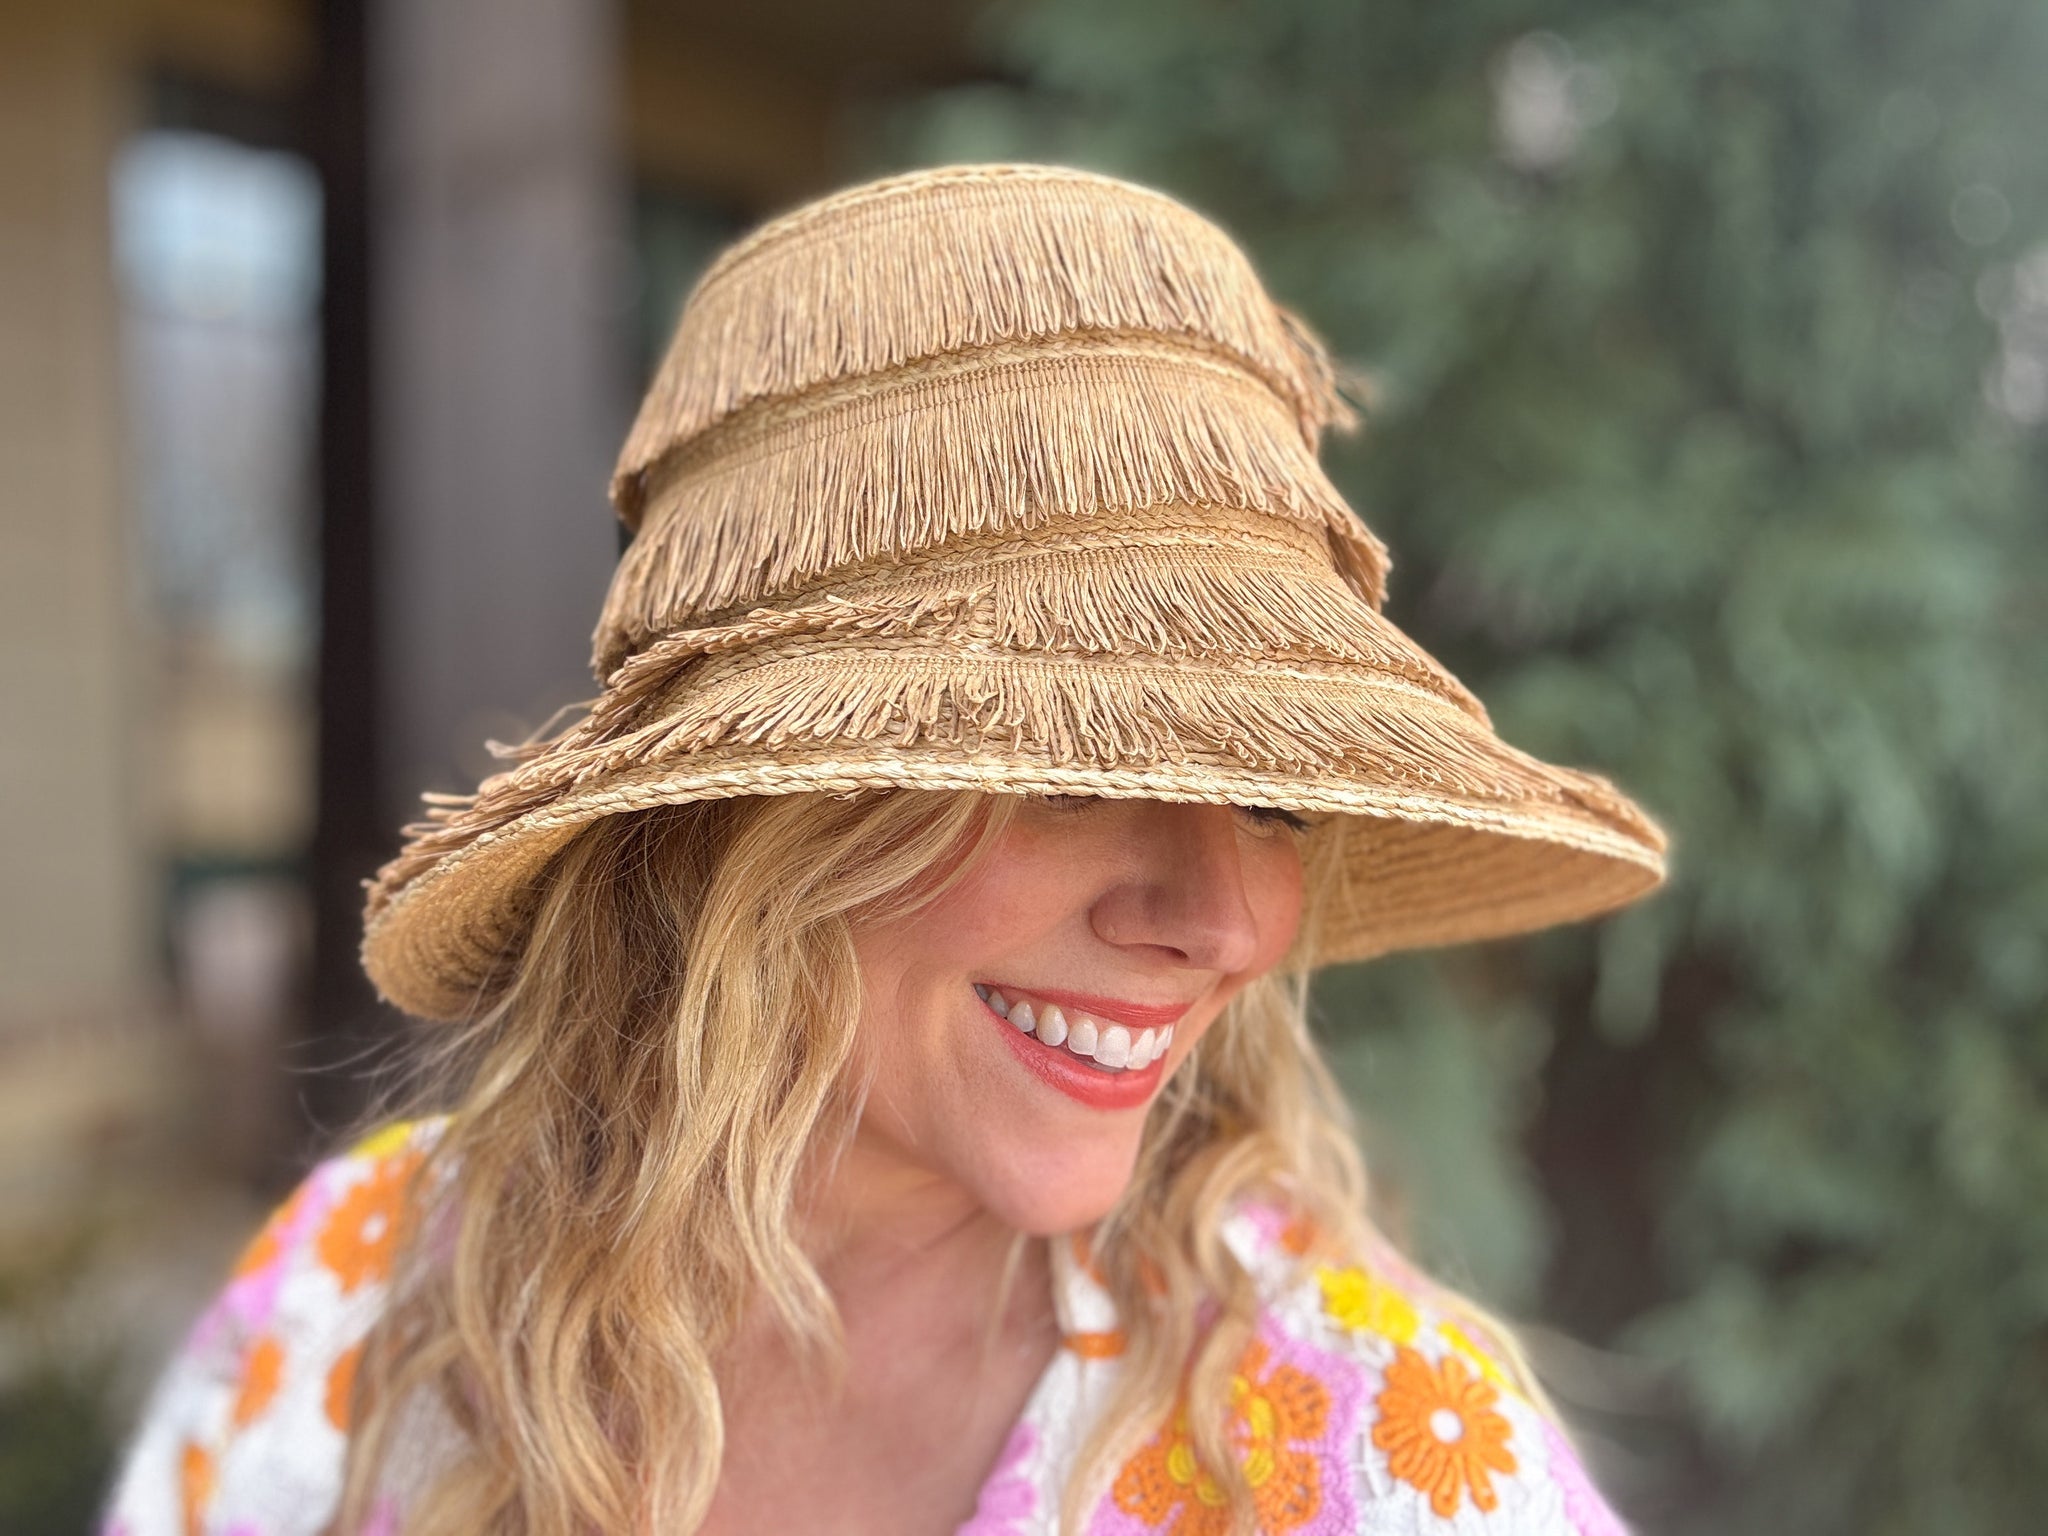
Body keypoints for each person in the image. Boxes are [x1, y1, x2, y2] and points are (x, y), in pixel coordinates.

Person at [101, 163, 1668, 1536]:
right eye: (1075, 769)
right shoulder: (358, 1300)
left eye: (1276, 799)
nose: (1230, 923)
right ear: (742, 823)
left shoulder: (1371, 1448)